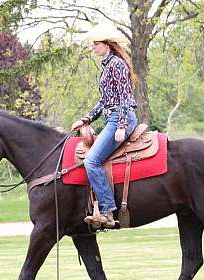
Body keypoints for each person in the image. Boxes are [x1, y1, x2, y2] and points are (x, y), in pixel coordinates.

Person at [71, 26, 138, 229]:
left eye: (96, 45)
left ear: (107, 45)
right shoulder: (107, 66)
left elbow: (126, 98)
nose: (94, 48)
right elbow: (104, 101)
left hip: (120, 118)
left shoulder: (117, 65)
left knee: (91, 161)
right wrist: (86, 119)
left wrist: (122, 125)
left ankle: (108, 211)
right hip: (113, 117)